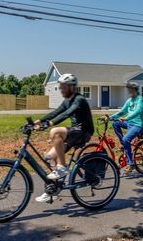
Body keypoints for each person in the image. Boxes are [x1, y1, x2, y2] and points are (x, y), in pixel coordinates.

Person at [34, 73, 94, 202]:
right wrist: (37, 121)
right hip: (75, 132)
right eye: (60, 86)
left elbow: (67, 113)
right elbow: (56, 112)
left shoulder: (79, 100)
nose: (61, 89)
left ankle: (62, 167)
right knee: (49, 157)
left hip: (83, 132)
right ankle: (54, 190)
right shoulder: (67, 100)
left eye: (64, 87)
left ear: (72, 87)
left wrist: (50, 124)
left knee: (56, 132)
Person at [109, 82, 143, 176]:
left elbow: (138, 111)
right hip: (130, 123)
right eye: (128, 89)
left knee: (126, 139)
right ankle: (124, 144)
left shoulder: (140, 100)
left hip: (139, 125)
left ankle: (131, 163)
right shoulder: (129, 100)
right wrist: (110, 117)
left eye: (130, 89)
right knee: (115, 123)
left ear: (135, 90)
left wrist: (127, 118)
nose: (128, 91)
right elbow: (122, 111)